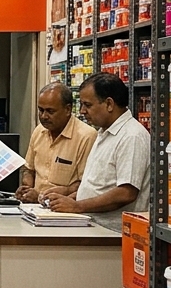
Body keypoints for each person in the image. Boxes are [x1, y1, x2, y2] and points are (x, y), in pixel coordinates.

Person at [43, 72, 150, 228]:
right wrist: (71, 199)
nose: (82, 111)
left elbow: (126, 193)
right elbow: (99, 185)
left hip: (113, 234)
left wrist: (78, 206)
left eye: (87, 105)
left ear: (109, 104)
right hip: (94, 225)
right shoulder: (104, 132)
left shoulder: (131, 136)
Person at [16, 82, 96, 203]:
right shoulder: (39, 131)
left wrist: (42, 196)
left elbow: (85, 184)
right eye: (41, 110)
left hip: (64, 210)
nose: (44, 116)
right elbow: (29, 169)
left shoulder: (86, 136)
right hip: (33, 207)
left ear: (68, 109)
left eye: (50, 111)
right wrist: (26, 188)